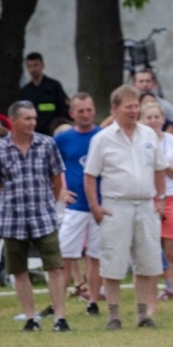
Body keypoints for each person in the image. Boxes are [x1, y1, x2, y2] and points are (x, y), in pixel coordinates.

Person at [84, 85, 168, 330]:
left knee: (147, 260)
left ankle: (143, 315)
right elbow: (90, 176)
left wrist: (161, 198)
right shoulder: (102, 138)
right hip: (115, 205)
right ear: (114, 108)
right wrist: (95, 207)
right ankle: (114, 315)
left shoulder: (149, 135)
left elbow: (160, 169)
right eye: (128, 106)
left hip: (145, 204)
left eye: (136, 106)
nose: (133, 111)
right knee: (113, 261)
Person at [0, 100, 71, 332]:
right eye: (27, 118)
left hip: (43, 217)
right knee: (19, 270)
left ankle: (59, 318)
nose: (33, 122)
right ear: (13, 121)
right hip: (12, 219)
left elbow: (56, 180)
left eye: (34, 118)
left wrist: (47, 204)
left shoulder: (47, 144)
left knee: (54, 267)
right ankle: (30, 317)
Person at [53, 93, 104, 317]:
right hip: (74, 207)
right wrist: (60, 190)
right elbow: (50, 166)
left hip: (100, 206)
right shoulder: (63, 139)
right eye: (80, 111)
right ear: (72, 113)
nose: (85, 115)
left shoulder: (103, 136)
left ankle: (93, 301)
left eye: (89, 110)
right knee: (65, 256)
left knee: (95, 256)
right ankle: (58, 302)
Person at [141, 101, 173, 317]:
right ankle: (150, 306)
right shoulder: (139, 141)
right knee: (150, 254)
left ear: (163, 119)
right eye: (148, 117)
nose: (153, 121)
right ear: (143, 120)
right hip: (147, 199)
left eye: (156, 117)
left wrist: (162, 164)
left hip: (171, 198)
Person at [19, 52, 70, 135]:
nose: (33, 69)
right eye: (29, 66)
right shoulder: (25, 91)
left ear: (42, 65)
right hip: (33, 134)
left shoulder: (54, 86)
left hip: (52, 133)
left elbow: (64, 110)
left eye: (36, 65)